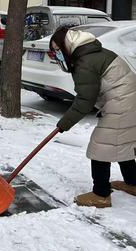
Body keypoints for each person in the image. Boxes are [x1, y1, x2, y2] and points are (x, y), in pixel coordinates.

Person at [49, 26, 136, 208]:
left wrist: (64, 123)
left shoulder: (85, 61)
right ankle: (133, 183)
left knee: (100, 146)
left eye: (57, 50)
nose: (56, 54)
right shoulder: (92, 52)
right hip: (129, 100)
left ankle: (101, 194)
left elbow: (85, 101)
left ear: (67, 45)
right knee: (122, 142)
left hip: (122, 103)